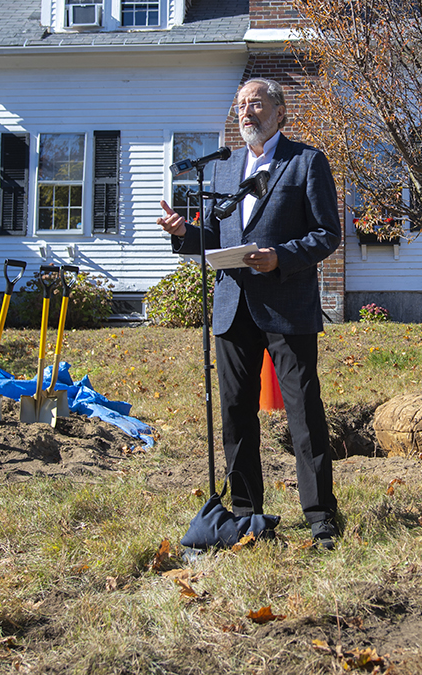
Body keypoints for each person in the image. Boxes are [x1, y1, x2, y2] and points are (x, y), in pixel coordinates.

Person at [157, 78, 342, 547]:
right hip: (232, 306)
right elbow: (217, 244)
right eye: (240, 104)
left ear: (280, 112)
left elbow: (327, 234)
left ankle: (321, 518)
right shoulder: (224, 169)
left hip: (287, 306)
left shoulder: (306, 162)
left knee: (304, 414)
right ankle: (245, 513)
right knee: (236, 415)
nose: (246, 112)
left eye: (256, 103)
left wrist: (281, 256)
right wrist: (183, 234)